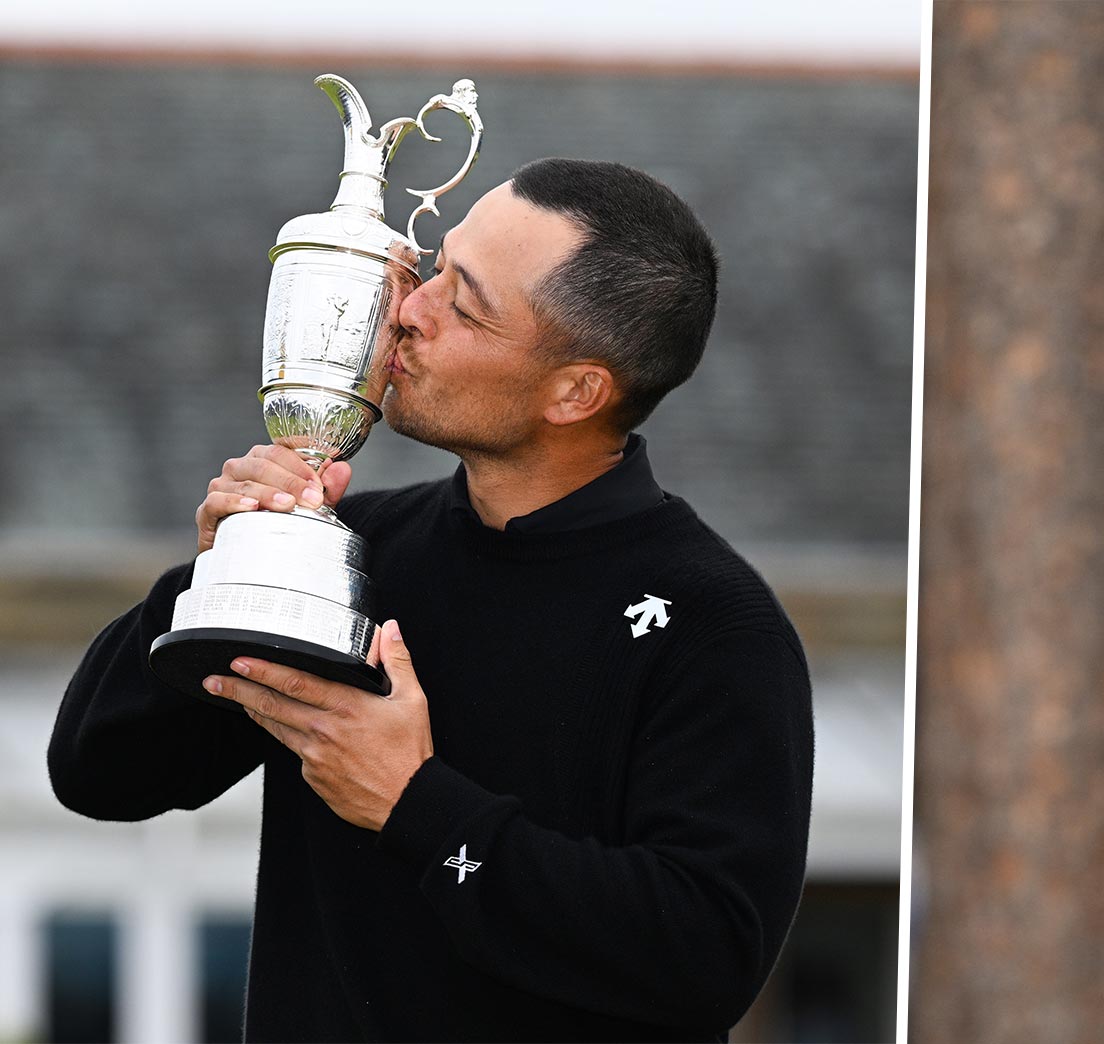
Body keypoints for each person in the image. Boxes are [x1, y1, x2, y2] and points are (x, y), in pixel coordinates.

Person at [47, 158, 814, 1042]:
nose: (409, 306)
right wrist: (221, 572)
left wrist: (414, 806)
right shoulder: (360, 550)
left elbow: (705, 958)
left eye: (465, 302)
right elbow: (98, 771)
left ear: (576, 391)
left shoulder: (716, 624)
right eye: (438, 267)